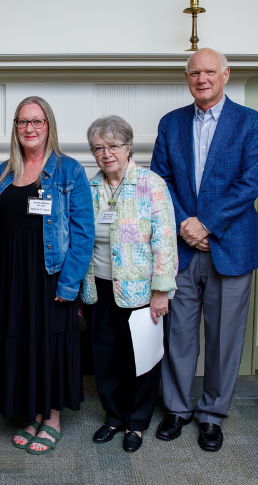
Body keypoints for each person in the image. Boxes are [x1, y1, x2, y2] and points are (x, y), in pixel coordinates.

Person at [150, 48, 258, 452]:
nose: (202, 78)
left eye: (210, 71)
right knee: (178, 334)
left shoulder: (251, 123)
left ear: (226, 75)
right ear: (187, 78)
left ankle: (213, 414)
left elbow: (250, 183)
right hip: (182, 247)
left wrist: (208, 224)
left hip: (230, 246)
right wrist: (186, 224)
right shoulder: (171, 123)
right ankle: (178, 409)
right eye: (195, 72)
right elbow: (160, 179)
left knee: (224, 338)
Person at [0, 96, 94, 455]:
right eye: (22, 122)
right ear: (15, 128)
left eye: (37, 122)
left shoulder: (69, 170)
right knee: (20, 339)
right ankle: (33, 412)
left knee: (49, 341)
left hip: (51, 273)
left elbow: (84, 234)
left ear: (48, 126)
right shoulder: (3, 171)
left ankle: (51, 418)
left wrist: (70, 283)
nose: (29, 129)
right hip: (11, 274)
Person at [80, 115, 178, 454]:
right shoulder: (91, 188)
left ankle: (136, 423)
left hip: (140, 291)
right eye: (98, 148)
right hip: (99, 288)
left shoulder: (151, 184)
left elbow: (165, 239)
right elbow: (82, 240)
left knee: (140, 359)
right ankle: (113, 417)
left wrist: (161, 291)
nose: (106, 153)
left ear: (128, 147)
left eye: (113, 146)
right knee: (105, 357)